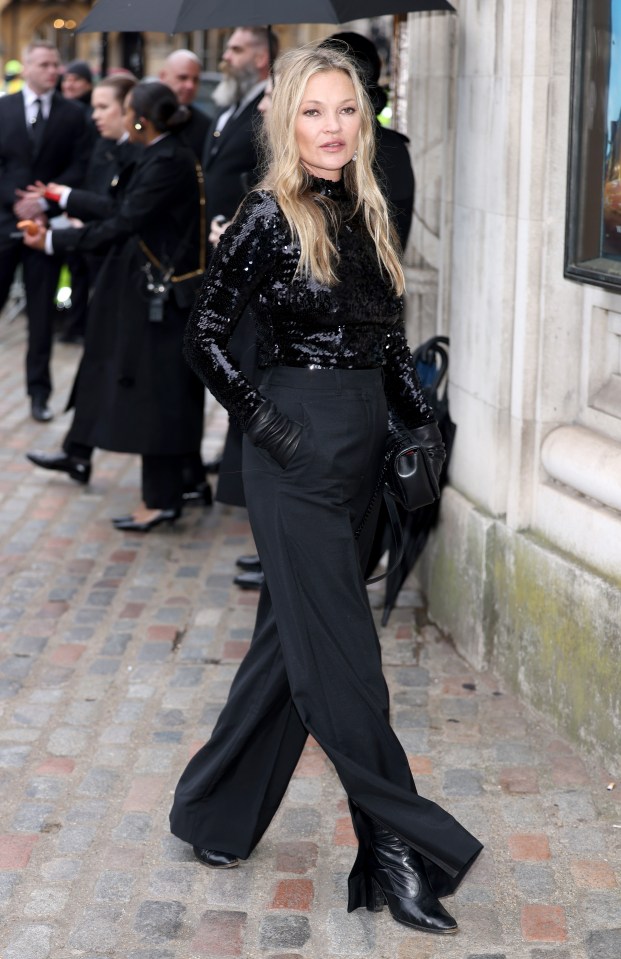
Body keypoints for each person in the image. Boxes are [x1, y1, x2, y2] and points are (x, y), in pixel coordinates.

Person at [169, 45, 482, 935]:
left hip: (361, 450)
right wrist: (270, 428)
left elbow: (383, 340)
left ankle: (213, 811)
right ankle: (398, 849)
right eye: (314, 111)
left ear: (366, 116)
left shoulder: (366, 206)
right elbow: (204, 336)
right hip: (296, 449)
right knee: (346, 665)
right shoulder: (271, 212)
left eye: (347, 110)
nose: (334, 127)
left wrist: (417, 416)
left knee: (292, 647)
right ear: (287, 121)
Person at [22, 81, 206, 531]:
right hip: (149, 293)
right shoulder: (162, 154)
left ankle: (161, 499)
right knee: (156, 392)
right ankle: (184, 483)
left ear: (141, 119)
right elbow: (119, 205)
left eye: (124, 111)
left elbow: (124, 221)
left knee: (156, 397)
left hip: (161, 298)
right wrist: (62, 196)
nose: (121, 120)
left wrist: (52, 240)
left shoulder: (168, 161)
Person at [0, 40, 90, 421]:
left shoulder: (74, 115)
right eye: (44, 64)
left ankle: (38, 394)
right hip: (4, 222)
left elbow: (80, 166)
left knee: (41, 315)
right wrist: (16, 200)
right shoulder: (3, 109)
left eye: (56, 65)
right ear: (27, 69)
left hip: (46, 227)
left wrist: (46, 200)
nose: (53, 71)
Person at [159, 49, 209, 162]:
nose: (190, 86)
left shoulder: (205, 126)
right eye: (183, 77)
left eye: (195, 80)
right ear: (162, 76)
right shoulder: (145, 114)